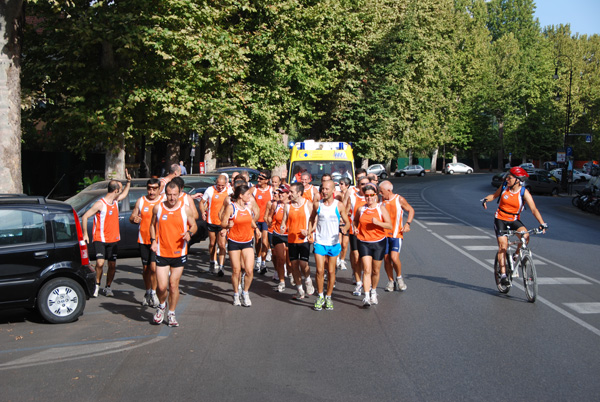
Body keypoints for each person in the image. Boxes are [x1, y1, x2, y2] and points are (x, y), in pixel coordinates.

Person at [482, 166, 548, 287]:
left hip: (514, 220)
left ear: (518, 180)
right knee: (503, 246)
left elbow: (534, 209)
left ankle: (516, 256)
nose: (507, 179)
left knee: (526, 236)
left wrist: (542, 224)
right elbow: (493, 196)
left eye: (509, 177)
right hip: (500, 219)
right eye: (507, 177)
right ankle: (502, 275)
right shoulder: (503, 188)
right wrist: (486, 199)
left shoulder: (524, 192)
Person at [149, 182, 198, 326]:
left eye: (175, 195)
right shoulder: (158, 208)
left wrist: (189, 233)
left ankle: (171, 313)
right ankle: (161, 305)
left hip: (179, 252)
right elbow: (152, 225)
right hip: (162, 252)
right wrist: (153, 240)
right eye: (169, 195)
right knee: (162, 287)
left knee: (173, 285)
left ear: (179, 193)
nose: (172, 198)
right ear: (165, 194)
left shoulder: (185, 209)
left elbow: (194, 225)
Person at [82, 171, 132, 297]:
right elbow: (85, 216)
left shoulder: (115, 201)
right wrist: (85, 234)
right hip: (100, 238)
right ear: (115, 190)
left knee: (112, 264)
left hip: (113, 239)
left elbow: (125, 194)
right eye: (119, 189)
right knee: (99, 263)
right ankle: (97, 285)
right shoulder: (100, 204)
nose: (120, 192)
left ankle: (108, 287)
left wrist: (129, 182)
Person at [309, 180, 350, 311]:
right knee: (320, 270)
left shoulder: (339, 205)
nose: (324, 191)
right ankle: (320, 296)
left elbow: (347, 222)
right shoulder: (317, 205)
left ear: (333, 190)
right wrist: (310, 232)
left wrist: (345, 229)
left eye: (327, 189)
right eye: (323, 189)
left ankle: (328, 296)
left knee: (331, 271)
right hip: (320, 241)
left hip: (334, 243)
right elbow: (311, 219)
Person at [221, 184, 261, 307]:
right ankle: (236, 294)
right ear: (241, 195)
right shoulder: (231, 207)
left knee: (249, 270)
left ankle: (245, 292)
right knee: (236, 271)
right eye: (248, 194)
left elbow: (250, 221)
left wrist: (256, 229)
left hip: (247, 241)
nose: (250, 196)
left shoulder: (249, 207)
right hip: (234, 241)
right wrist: (227, 226)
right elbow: (223, 222)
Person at [353, 183, 392, 306]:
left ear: (375, 195)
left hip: (379, 242)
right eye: (366, 196)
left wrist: (378, 223)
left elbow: (389, 225)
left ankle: (374, 291)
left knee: (375, 270)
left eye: (371, 195)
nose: (369, 198)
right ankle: (366, 296)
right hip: (364, 242)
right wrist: (355, 228)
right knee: (367, 269)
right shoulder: (361, 209)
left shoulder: (381, 208)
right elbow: (355, 220)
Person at [129, 178, 162, 307]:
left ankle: (154, 293)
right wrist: (134, 219)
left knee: (154, 268)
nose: (151, 191)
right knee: (146, 268)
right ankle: (148, 291)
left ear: (159, 189)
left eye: (154, 188)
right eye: (149, 188)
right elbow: (133, 217)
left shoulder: (163, 201)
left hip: (158, 241)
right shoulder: (141, 201)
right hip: (143, 239)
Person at [281, 182, 315, 299]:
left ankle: (308, 280)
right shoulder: (288, 206)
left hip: (304, 239)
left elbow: (315, 221)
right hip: (291, 240)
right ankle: (300, 290)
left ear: (299, 193)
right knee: (294, 265)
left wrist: (309, 231)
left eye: (291, 192)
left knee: (303, 264)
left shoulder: (307, 204)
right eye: (289, 191)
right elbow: (284, 222)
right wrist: (282, 228)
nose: (289, 194)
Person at [380, 180, 414, 292]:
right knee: (386, 259)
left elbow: (411, 210)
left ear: (389, 190)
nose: (380, 193)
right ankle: (390, 281)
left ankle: (399, 278)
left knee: (394, 258)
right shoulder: (381, 200)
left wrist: (407, 224)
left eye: (382, 191)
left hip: (396, 234)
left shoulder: (399, 199)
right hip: (384, 234)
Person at [200, 175, 232, 276]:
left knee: (222, 244)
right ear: (216, 183)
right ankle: (212, 262)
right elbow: (202, 202)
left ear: (226, 183)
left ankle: (221, 267)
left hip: (223, 223)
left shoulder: (229, 191)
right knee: (212, 243)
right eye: (218, 185)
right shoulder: (210, 190)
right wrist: (202, 212)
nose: (220, 187)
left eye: (222, 185)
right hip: (211, 221)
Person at [265, 184, 291, 292]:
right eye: (279, 192)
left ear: (288, 194)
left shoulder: (292, 205)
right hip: (278, 234)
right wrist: (269, 221)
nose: (280, 195)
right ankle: (281, 281)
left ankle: (290, 273)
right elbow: (269, 216)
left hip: (290, 235)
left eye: (282, 193)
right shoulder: (275, 204)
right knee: (280, 258)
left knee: (290, 262)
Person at [347, 176, 369, 296]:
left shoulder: (372, 197)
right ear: (358, 185)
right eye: (362, 184)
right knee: (356, 256)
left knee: (365, 258)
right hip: (354, 231)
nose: (364, 186)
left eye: (366, 184)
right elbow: (346, 210)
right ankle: (358, 282)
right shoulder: (353, 196)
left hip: (368, 233)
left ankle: (366, 280)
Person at [252, 170, 273, 274]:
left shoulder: (271, 190)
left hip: (265, 220)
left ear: (267, 180)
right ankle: (258, 259)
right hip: (256, 220)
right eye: (258, 177)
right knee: (257, 241)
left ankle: (263, 263)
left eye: (261, 178)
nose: (258, 180)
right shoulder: (254, 189)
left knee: (265, 241)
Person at [336, 177, 351, 270]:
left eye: (342, 184)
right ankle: (337, 259)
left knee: (345, 244)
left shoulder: (351, 195)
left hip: (347, 221)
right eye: (339, 183)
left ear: (347, 185)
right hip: (338, 221)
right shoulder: (338, 195)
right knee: (339, 242)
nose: (340, 185)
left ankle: (342, 260)